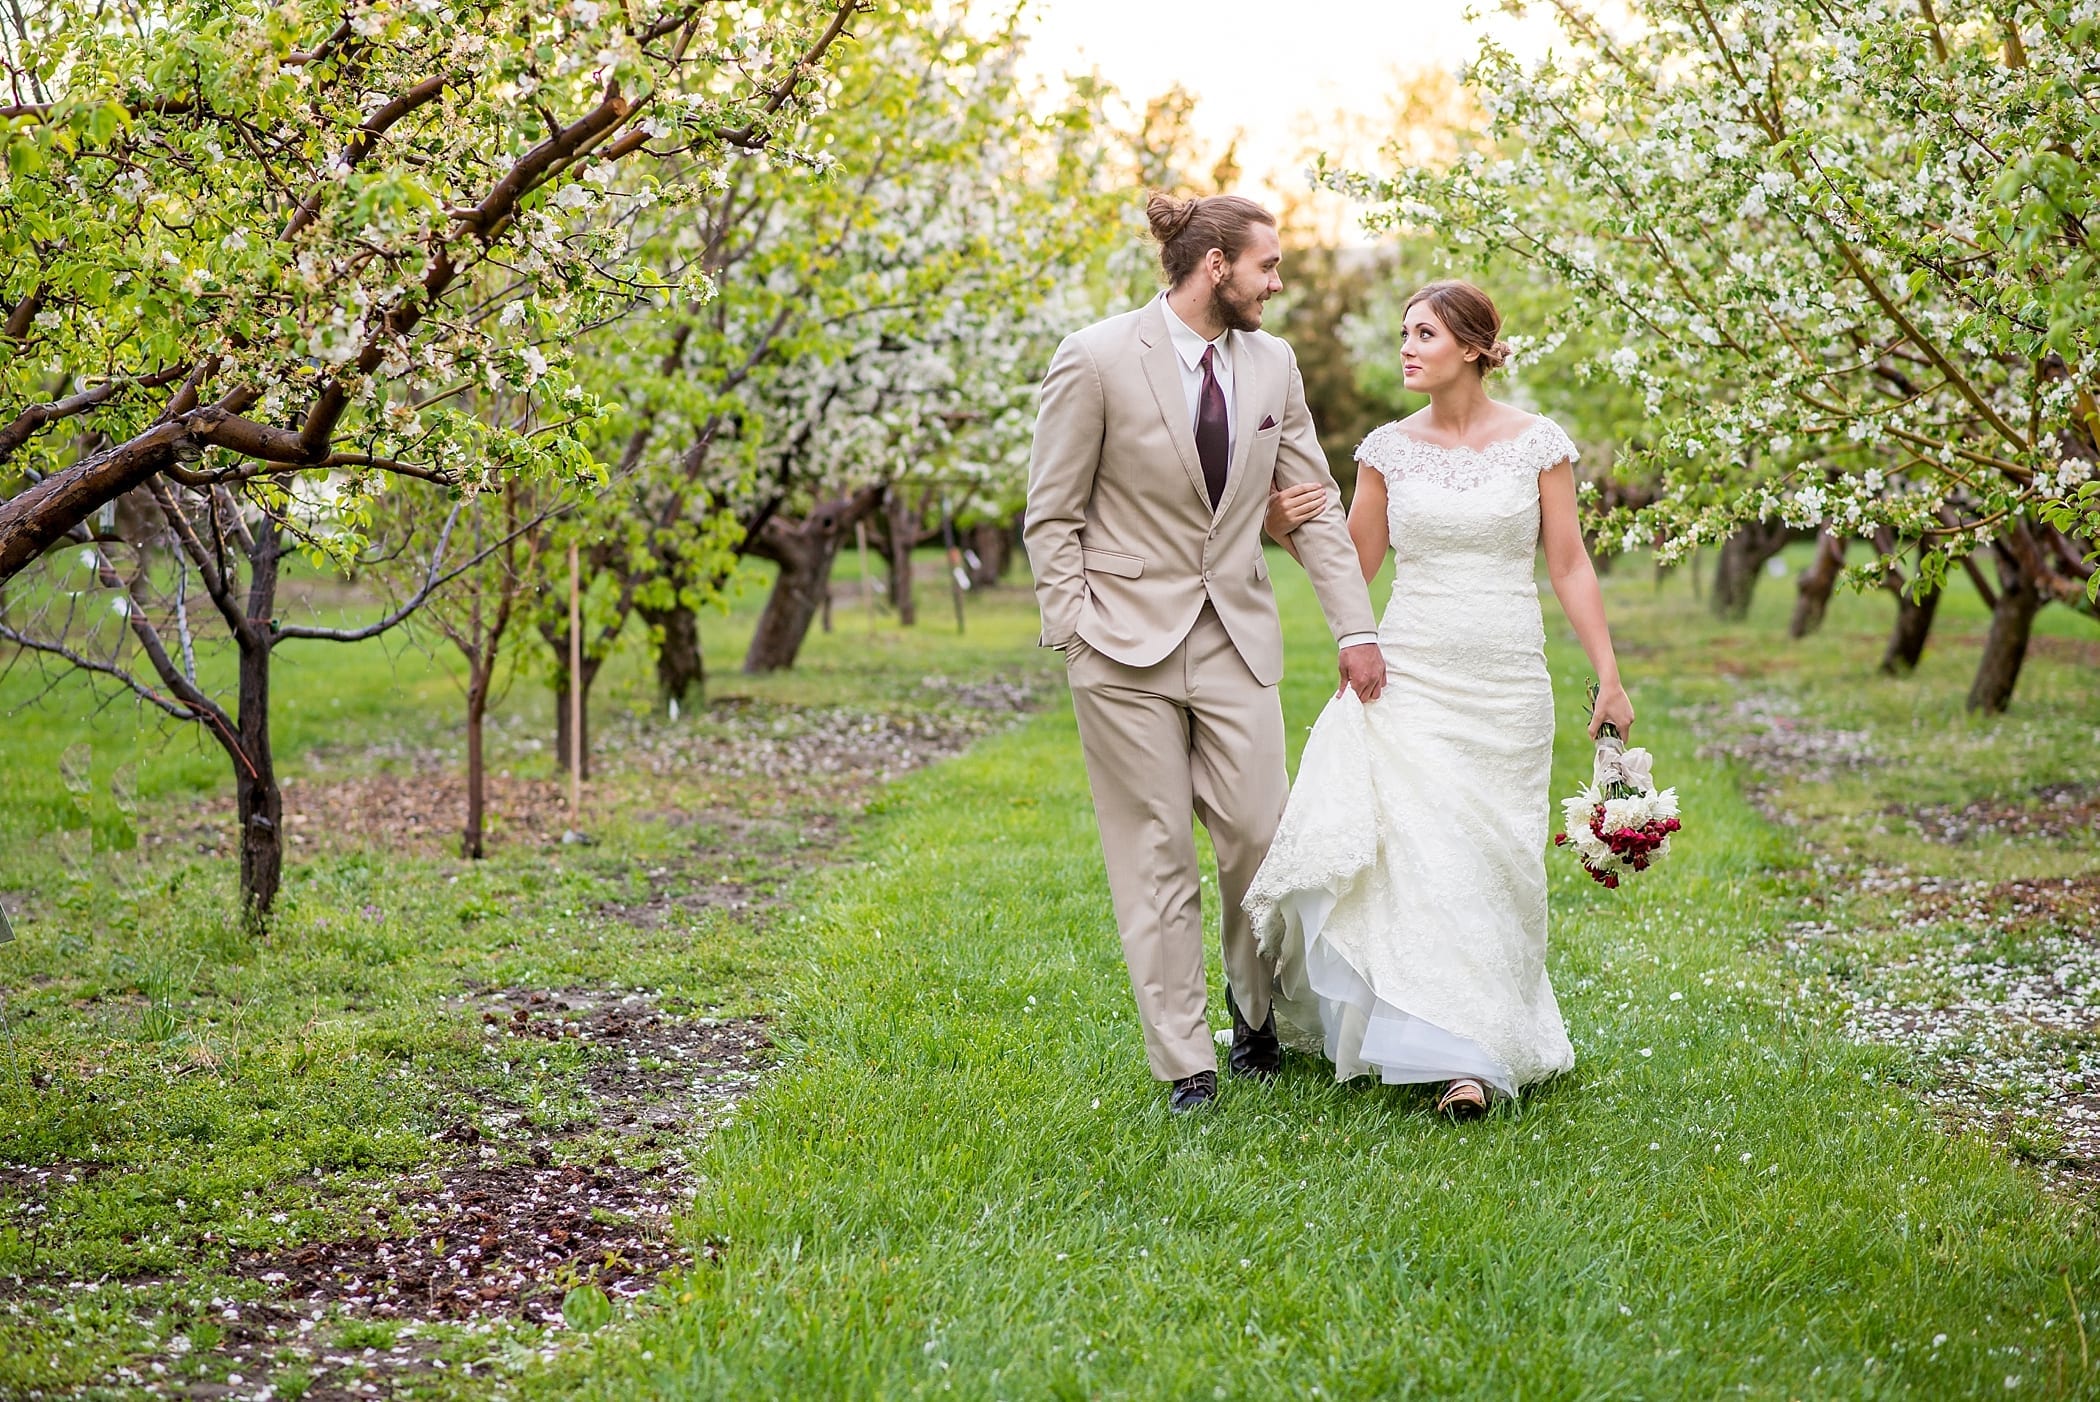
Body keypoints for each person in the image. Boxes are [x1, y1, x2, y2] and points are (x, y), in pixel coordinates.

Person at [1023, 193, 1386, 1114]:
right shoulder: (1097, 357)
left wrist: (1355, 629)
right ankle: (1187, 1061)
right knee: (1153, 857)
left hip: (1235, 636)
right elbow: (1052, 513)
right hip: (1118, 646)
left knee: (1259, 841)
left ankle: (1254, 1010)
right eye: (1268, 266)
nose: (1278, 283)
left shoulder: (1274, 365)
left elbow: (1314, 508)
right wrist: (1072, 629)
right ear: (1215, 265)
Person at [1246, 279, 1633, 1118]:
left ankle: (1489, 1032)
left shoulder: (1539, 444)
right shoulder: (1388, 448)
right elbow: (1353, 563)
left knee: (1494, 867)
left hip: (1506, 685)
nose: (1407, 348)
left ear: (1471, 345)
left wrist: (1608, 673)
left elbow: (1568, 564)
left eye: (1424, 333)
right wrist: (1282, 528)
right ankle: (1456, 1061)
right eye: (1403, 334)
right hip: (1411, 674)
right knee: (1426, 861)